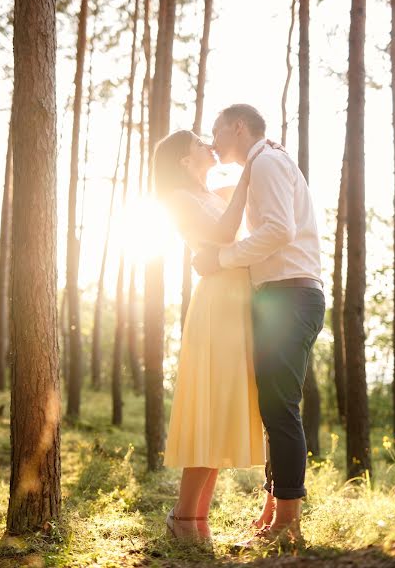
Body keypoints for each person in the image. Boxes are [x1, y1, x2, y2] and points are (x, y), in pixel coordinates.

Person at [193, 104, 325, 544]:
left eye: (217, 130)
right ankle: (275, 512)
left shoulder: (268, 161)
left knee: (281, 409)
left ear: (238, 125)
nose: (213, 140)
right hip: (282, 297)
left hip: (290, 296)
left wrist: (220, 260)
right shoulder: (264, 162)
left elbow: (278, 230)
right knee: (274, 407)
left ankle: (288, 523)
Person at [153, 129, 267, 541]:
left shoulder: (213, 190)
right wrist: (251, 166)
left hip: (239, 301)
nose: (208, 145)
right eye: (200, 142)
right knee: (210, 406)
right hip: (217, 303)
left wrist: (256, 154)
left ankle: (196, 518)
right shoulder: (180, 199)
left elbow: (252, 195)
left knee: (221, 410)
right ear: (184, 160)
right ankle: (183, 516)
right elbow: (222, 233)